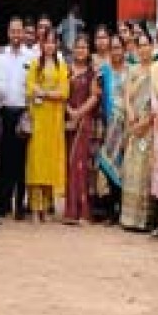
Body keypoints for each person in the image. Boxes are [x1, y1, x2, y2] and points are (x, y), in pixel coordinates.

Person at [119, 31, 158, 232]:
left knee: (146, 172)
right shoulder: (132, 69)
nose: (143, 49)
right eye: (139, 45)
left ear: (152, 47)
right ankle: (129, 218)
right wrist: (131, 115)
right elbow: (126, 96)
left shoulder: (157, 70)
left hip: (150, 126)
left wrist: (146, 122)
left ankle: (144, 219)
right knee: (132, 170)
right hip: (133, 125)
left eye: (146, 45)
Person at [24, 32, 68, 223]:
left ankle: (47, 207)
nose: (50, 45)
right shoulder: (35, 64)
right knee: (36, 162)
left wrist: (44, 93)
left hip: (54, 120)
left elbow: (64, 92)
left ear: (57, 44)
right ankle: (35, 207)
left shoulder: (61, 65)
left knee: (50, 162)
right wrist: (45, 93)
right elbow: (29, 87)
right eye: (46, 42)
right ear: (41, 44)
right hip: (38, 118)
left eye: (53, 42)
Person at [0, 17, 34, 219]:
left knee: (22, 161)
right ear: (8, 33)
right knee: (6, 160)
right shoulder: (1, 56)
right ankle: (3, 203)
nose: (16, 35)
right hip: (6, 112)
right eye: (13, 31)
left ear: (23, 33)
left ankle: (20, 205)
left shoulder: (32, 57)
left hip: (24, 113)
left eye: (19, 31)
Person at [63, 36, 100, 225]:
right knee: (69, 164)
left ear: (88, 51)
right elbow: (62, 92)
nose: (80, 50)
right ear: (73, 49)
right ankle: (70, 211)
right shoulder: (66, 70)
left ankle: (83, 211)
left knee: (80, 165)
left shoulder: (93, 73)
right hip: (68, 122)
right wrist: (69, 111)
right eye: (78, 47)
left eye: (84, 47)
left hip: (84, 123)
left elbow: (94, 97)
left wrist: (79, 112)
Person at [95, 36, 127, 224]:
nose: (116, 52)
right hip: (108, 125)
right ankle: (109, 209)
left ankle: (120, 209)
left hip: (125, 125)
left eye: (118, 48)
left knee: (122, 166)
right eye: (113, 48)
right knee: (106, 166)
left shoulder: (130, 70)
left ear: (124, 50)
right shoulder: (104, 71)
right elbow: (95, 93)